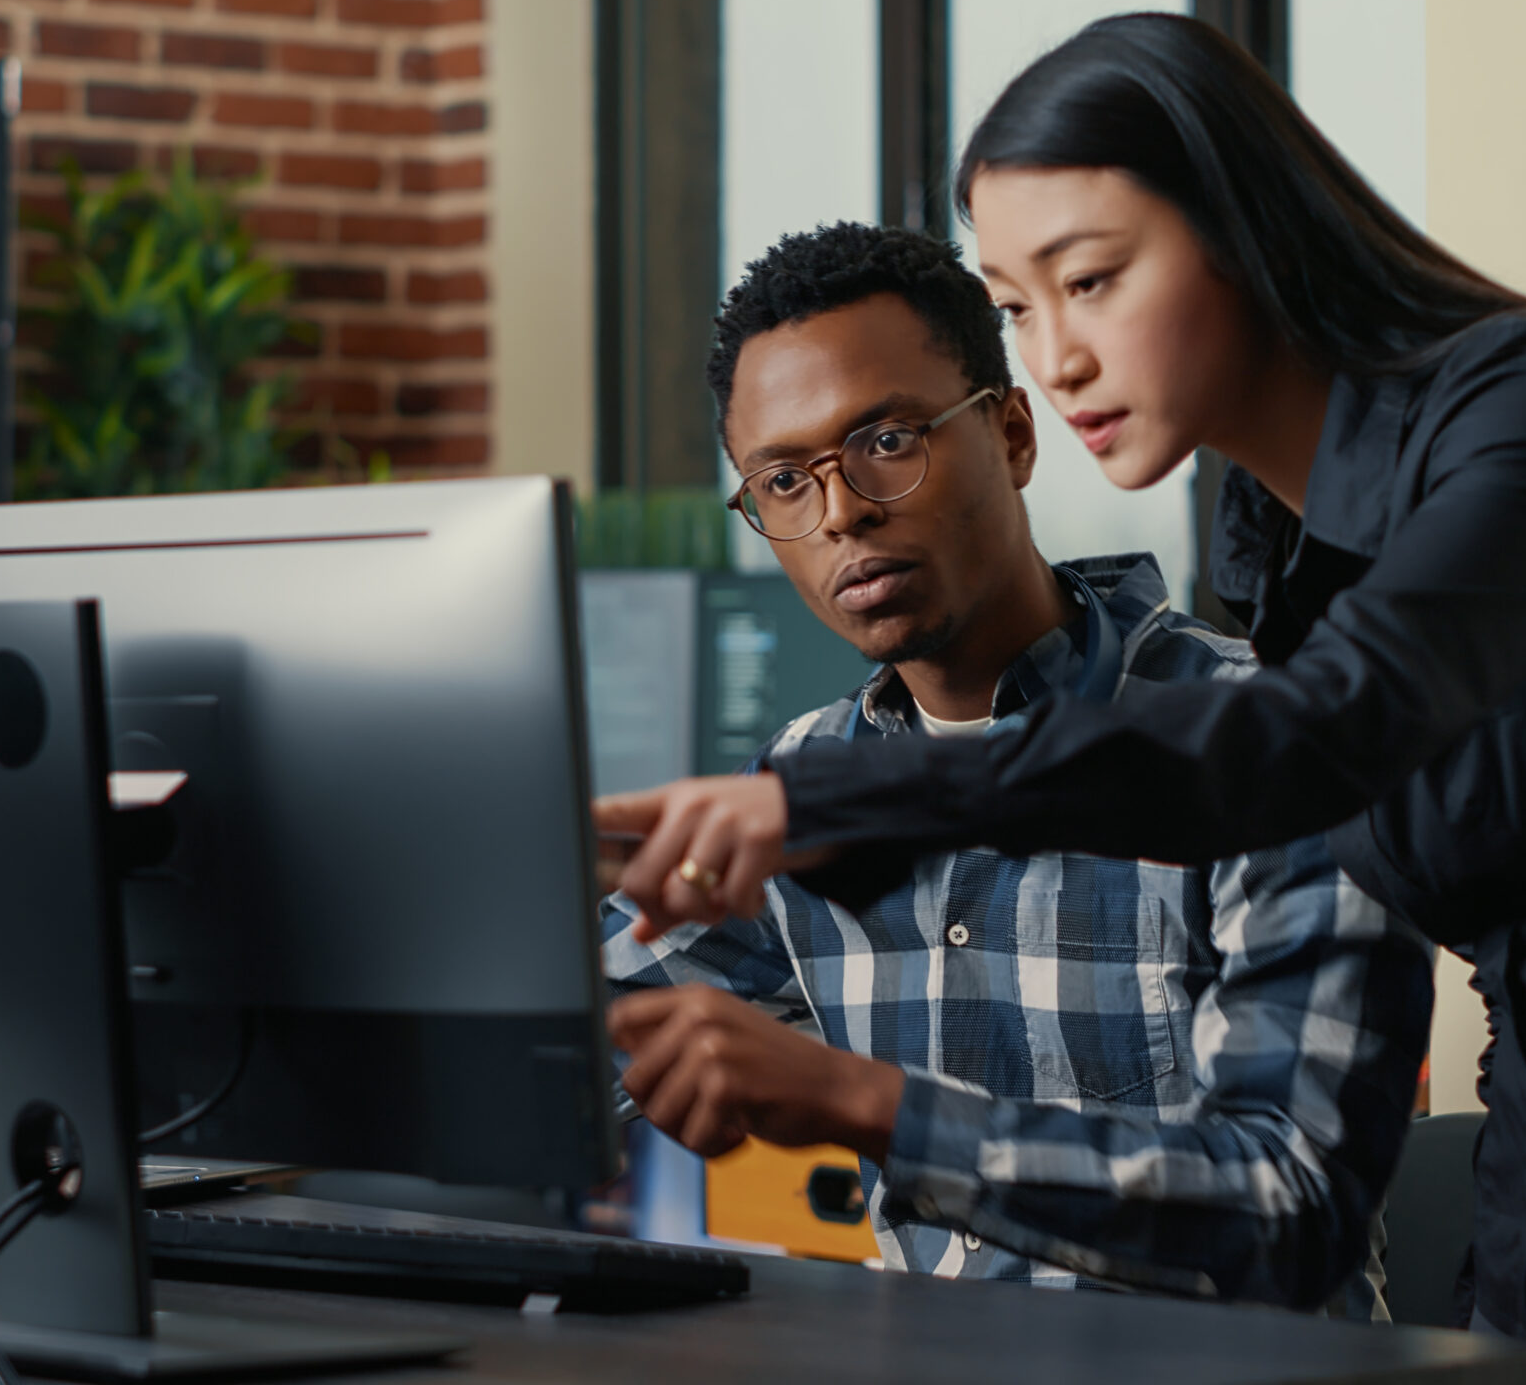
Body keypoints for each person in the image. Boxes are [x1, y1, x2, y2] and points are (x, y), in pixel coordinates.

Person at [598, 15, 1526, 1381]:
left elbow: (1305, 744)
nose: (1058, 356)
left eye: (1091, 281)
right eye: (1021, 306)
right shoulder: (1272, 541)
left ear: (1242, 229)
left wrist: (813, 804)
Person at [600, 221, 1433, 1314]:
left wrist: (860, 1100)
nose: (841, 511)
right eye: (784, 481)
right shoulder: (800, 775)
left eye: (886, 442)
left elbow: (1288, 1217)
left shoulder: (1261, 734)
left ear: (1012, 435)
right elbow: (572, 1031)